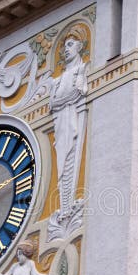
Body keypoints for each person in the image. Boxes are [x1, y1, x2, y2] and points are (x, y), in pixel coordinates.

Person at [50, 31, 88, 220]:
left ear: (80, 47)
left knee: (70, 160)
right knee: (62, 164)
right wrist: (64, 99)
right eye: (65, 46)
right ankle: (65, 207)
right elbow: (54, 103)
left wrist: (62, 100)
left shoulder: (81, 70)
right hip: (61, 123)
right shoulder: (58, 80)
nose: (66, 49)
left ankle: (68, 207)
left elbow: (77, 93)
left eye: (71, 44)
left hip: (72, 119)